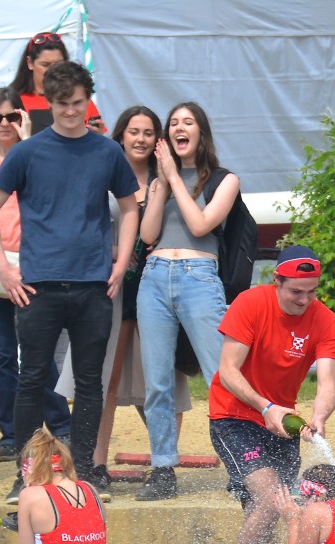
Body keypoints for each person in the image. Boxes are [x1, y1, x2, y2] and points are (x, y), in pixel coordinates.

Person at [0, 61, 139, 505]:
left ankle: (83, 474)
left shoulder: (107, 152)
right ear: (48, 104)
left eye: (78, 102)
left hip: (92, 286)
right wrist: (4, 268)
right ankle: (27, 476)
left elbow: (130, 207)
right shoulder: (27, 153)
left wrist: (122, 262)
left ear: (88, 99)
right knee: (32, 380)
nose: (72, 111)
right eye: (63, 104)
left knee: (89, 382)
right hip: (38, 285)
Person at [208, 245, 335, 544]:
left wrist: (319, 415)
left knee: (264, 514)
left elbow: (327, 382)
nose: (304, 300)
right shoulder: (250, 303)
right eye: (296, 292)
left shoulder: (325, 319)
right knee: (269, 503)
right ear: (276, 282)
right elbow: (228, 369)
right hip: (234, 415)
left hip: (282, 422)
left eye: (312, 292)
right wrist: (266, 406)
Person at [136, 101, 237, 501]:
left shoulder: (225, 179)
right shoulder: (161, 180)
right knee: (157, 382)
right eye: (173, 123)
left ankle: (239, 464)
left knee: (220, 377)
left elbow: (200, 224)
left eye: (188, 122)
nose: (180, 128)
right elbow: (147, 235)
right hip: (155, 278)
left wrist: (175, 179)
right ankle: (163, 468)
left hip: (199, 278)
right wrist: (160, 185)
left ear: (201, 131)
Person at [89, 106, 191, 491]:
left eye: (149, 132)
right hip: (113, 284)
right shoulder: (103, 171)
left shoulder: (168, 175)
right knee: (106, 378)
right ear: (120, 134)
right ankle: (96, 463)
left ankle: (164, 463)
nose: (141, 139)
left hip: (158, 284)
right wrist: (116, 249)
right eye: (133, 131)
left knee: (163, 377)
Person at [0, 87, 72, 470]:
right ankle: (11, 434)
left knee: (35, 350)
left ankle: (61, 424)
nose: (5, 124)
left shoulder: (34, 153)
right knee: (2, 354)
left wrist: (30, 137)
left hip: (32, 264)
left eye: (11, 117)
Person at [10, 31, 105, 135]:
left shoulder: (80, 100)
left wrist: (97, 136)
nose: (53, 69)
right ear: (30, 63)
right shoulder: (14, 102)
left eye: (58, 64)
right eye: (45, 64)